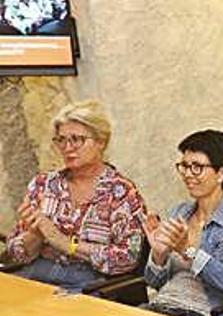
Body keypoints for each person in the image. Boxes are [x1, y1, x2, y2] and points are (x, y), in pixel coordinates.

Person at [6, 100, 146, 292]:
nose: (68, 147)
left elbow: (128, 258)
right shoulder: (43, 184)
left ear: (101, 142)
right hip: (37, 273)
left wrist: (66, 243)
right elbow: (14, 253)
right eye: (61, 140)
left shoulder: (121, 192)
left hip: (91, 281)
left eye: (77, 139)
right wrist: (35, 234)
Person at [142, 130, 223, 316]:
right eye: (184, 166)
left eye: (197, 167)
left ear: (221, 174)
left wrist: (188, 251)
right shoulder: (179, 213)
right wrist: (158, 255)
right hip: (164, 306)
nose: (188, 174)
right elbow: (154, 282)